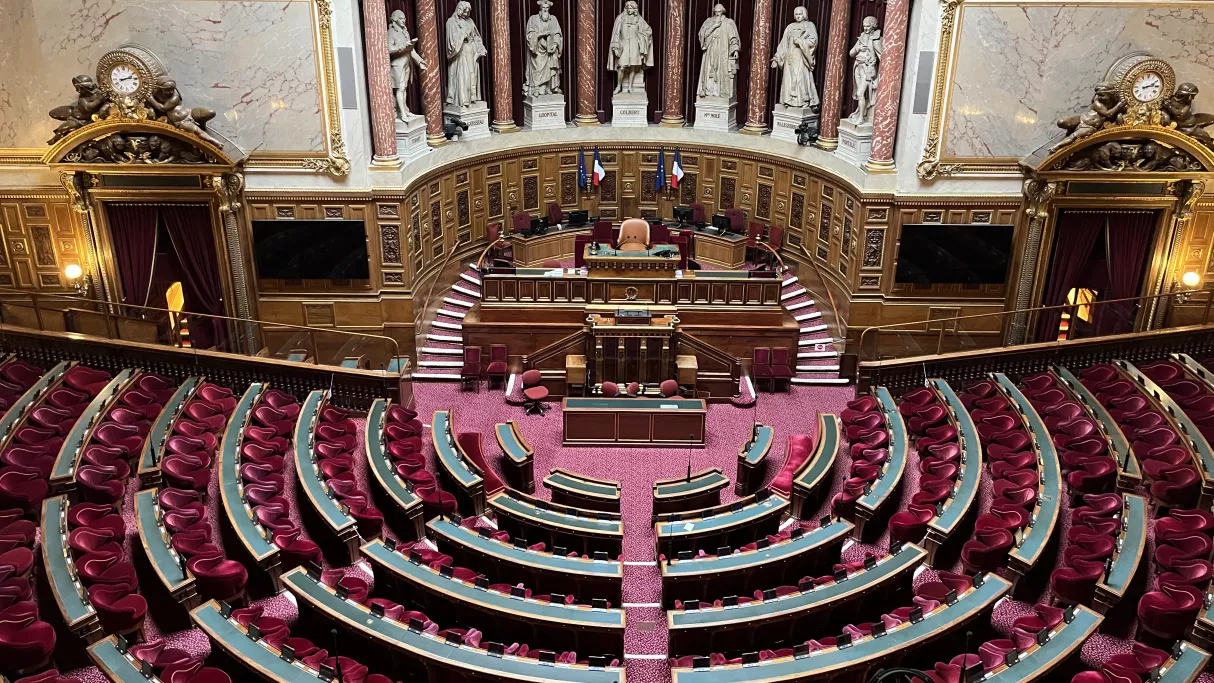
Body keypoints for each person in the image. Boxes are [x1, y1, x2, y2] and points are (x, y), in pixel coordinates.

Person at [771, 6, 819, 110]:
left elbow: (813, 42)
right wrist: (776, 57)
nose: (798, 16)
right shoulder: (790, 27)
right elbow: (784, 43)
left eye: (800, 14)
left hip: (801, 57)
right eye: (796, 14)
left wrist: (801, 42)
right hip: (790, 57)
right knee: (789, 79)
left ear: (804, 14)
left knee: (800, 79)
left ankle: (803, 101)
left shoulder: (809, 26)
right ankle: (788, 101)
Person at [445, 1, 487, 108]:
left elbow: (476, 36)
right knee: (464, 77)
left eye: (468, 12)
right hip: (461, 53)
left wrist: (480, 47)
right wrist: (463, 33)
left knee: (472, 76)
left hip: (472, 52)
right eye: (464, 11)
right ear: (460, 9)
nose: (466, 14)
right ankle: (463, 101)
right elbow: (451, 43)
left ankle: (472, 99)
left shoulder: (470, 21)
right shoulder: (451, 22)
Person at [607, 1, 654, 95]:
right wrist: (616, 46)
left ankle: (630, 86)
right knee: (621, 67)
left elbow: (648, 30)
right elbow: (616, 33)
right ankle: (619, 86)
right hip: (623, 45)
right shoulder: (620, 18)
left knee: (633, 66)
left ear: (635, 9)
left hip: (635, 45)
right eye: (628, 8)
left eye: (631, 8)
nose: (629, 10)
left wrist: (641, 38)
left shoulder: (639, 19)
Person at [696, 4, 741, 99]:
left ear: (723, 12)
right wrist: (714, 26)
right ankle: (708, 91)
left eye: (719, 12)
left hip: (722, 53)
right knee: (708, 71)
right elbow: (702, 34)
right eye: (716, 12)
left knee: (721, 72)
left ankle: (719, 92)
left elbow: (733, 38)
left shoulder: (728, 23)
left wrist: (735, 50)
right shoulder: (709, 21)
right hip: (710, 52)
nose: (717, 14)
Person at [388, 9, 427, 120]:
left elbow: (411, 50)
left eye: (405, 18)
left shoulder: (405, 32)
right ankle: (403, 114)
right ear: (395, 19)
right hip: (397, 64)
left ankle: (404, 110)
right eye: (401, 18)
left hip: (407, 63)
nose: (404, 21)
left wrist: (419, 61)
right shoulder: (391, 32)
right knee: (399, 89)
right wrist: (401, 47)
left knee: (404, 88)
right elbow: (388, 49)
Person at [524, 0, 563, 97]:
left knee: (550, 68)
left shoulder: (553, 19)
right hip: (537, 50)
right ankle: (536, 88)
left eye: (547, 8)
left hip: (550, 50)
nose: (545, 10)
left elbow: (558, 33)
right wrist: (542, 34)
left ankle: (549, 87)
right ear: (540, 9)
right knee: (537, 68)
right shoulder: (533, 19)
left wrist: (555, 44)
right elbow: (529, 34)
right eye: (543, 8)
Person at [847, 16, 882, 124]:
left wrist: (878, 72)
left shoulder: (877, 39)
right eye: (864, 26)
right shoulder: (862, 37)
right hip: (858, 67)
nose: (865, 28)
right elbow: (851, 53)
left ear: (873, 26)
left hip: (868, 69)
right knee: (860, 95)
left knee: (860, 93)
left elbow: (882, 57)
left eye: (868, 26)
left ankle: (861, 117)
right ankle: (860, 113)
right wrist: (858, 48)